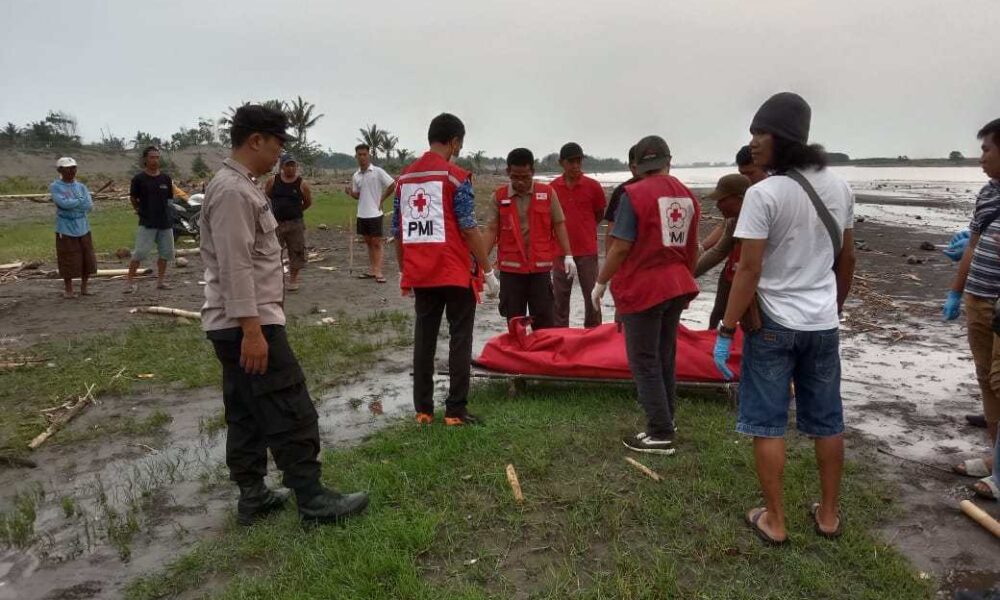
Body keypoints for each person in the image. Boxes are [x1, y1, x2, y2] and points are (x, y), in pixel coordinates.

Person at [200, 104, 368, 525]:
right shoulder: (234, 192)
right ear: (256, 140)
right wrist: (253, 330)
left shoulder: (241, 186)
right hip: (247, 323)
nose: (280, 153)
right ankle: (312, 499)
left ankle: (253, 496)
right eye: (277, 143)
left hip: (236, 322)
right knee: (289, 404)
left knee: (246, 410)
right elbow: (236, 265)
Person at [713, 92, 857, 544]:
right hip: (822, 322)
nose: (753, 142)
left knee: (767, 422)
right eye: (752, 132)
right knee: (827, 420)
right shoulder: (840, 187)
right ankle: (828, 515)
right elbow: (846, 259)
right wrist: (834, 307)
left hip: (774, 324)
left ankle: (775, 520)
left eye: (761, 133)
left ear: (785, 138)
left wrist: (726, 328)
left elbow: (749, 269)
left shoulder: (765, 193)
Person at [592, 135, 700, 454]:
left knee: (644, 360)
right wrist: (686, 280)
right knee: (665, 355)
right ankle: (667, 418)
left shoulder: (633, 194)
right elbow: (691, 247)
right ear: (669, 161)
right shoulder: (687, 195)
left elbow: (621, 245)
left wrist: (601, 283)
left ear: (639, 165)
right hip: (678, 284)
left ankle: (660, 431)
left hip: (645, 287)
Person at [391, 113, 499, 426]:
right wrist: (488, 271)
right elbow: (468, 227)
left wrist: (403, 270)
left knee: (424, 338)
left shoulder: (405, 179)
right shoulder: (455, 177)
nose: (458, 150)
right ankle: (455, 411)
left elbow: (399, 230)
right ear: (453, 141)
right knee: (460, 337)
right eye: (459, 145)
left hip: (422, 273)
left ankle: (423, 410)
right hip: (454, 270)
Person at [943, 118, 1000, 487]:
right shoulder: (988, 194)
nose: (981, 158)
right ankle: (995, 458)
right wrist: (956, 290)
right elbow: (974, 245)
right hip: (978, 298)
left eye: (986, 149)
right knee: (985, 378)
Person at [483, 148, 575, 329]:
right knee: (514, 324)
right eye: (515, 177)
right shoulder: (499, 197)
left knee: (544, 324)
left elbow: (559, 224)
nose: (520, 182)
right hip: (511, 272)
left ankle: (542, 357)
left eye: (525, 177)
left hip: (539, 272)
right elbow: (491, 230)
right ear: (508, 172)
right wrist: (482, 264)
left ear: (532, 171)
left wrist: (568, 255)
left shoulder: (547, 193)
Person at [549, 142, 607, 328]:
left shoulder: (593, 187)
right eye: (571, 161)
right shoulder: (552, 188)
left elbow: (599, 214)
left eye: (578, 161)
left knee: (593, 296)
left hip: (587, 252)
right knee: (559, 300)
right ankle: (560, 337)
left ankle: (594, 336)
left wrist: (584, 229)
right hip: (560, 252)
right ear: (561, 163)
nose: (575, 165)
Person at [695, 174, 752, 329]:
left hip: (753, 279)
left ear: (740, 198)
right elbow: (719, 251)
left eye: (722, 200)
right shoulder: (732, 221)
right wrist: (687, 274)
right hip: (731, 273)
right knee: (718, 317)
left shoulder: (759, 218)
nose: (718, 205)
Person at [125, 146, 175, 293]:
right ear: (145, 160)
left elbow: (170, 199)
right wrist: (139, 211)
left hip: (165, 222)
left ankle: (160, 281)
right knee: (140, 253)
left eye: (157, 157)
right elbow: (133, 198)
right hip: (147, 222)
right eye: (152, 157)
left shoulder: (166, 178)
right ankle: (129, 282)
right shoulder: (139, 179)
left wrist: (170, 214)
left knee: (165, 253)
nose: (155, 160)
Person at [346, 144, 396, 283]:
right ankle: (373, 269)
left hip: (375, 212)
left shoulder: (378, 171)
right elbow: (358, 195)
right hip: (362, 213)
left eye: (364, 154)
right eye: (359, 155)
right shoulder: (356, 175)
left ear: (369, 155)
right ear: (356, 157)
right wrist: (350, 192)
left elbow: (392, 184)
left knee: (376, 243)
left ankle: (379, 271)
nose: (362, 157)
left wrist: (382, 199)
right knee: (368, 242)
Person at [50, 157, 97, 299]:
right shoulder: (56, 186)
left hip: (83, 226)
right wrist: (79, 202)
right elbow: (63, 203)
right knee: (68, 257)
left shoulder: (81, 187)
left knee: (86, 257)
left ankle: (84, 288)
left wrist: (75, 203)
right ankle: (69, 289)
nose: (72, 171)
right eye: (68, 168)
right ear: (60, 170)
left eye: (74, 168)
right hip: (65, 228)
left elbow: (88, 206)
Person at [265, 153, 312, 292]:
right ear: (282, 166)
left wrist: (296, 210)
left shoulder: (302, 184)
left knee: (296, 251)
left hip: (295, 223)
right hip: (276, 223)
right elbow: (267, 195)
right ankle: (276, 280)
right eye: (288, 165)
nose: (291, 168)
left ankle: (293, 279)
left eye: (293, 165)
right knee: (273, 251)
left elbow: (308, 202)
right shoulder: (273, 181)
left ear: (296, 166)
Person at [604, 144, 639, 249]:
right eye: (634, 167)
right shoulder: (621, 191)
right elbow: (611, 227)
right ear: (630, 167)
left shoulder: (659, 190)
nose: (638, 172)